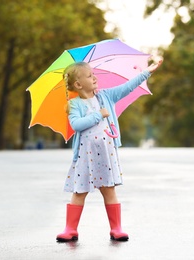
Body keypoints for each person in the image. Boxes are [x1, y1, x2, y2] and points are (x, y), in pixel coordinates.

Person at [56, 58, 163, 242]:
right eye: (90, 76)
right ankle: (70, 228)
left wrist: (147, 72)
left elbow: (128, 87)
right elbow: (76, 124)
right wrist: (98, 115)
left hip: (106, 154)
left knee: (109, 190)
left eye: (93, 74)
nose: (94, 77)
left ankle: (116, 228)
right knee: (79, 192)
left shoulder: (106, 97)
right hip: (85, 157)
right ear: (78, 84)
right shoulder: (75, 105)